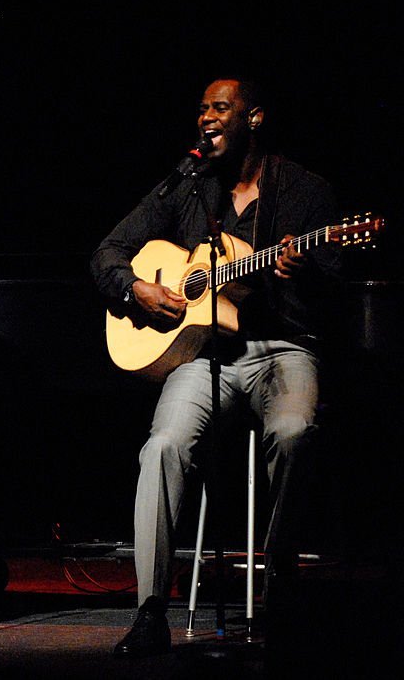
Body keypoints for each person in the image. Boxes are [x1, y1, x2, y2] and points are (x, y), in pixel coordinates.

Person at [90, 77, 341, 658]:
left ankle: (279, 581)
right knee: (162, 448)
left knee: (295, 431)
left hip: (284, 347)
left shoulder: (305, 191)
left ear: (253, 119)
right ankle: (151, 609)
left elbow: (338, 283)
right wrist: (135, 290)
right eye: (202, 108)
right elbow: (107, 251)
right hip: (204, 355)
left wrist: (301, 272)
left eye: (220, 108)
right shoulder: (188, 185)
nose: (206, 117)